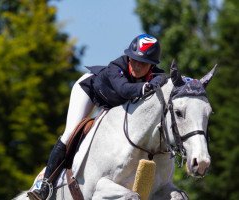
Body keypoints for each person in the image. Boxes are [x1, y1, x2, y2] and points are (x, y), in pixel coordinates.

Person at [27, 33, 167, 200]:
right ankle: (44, 183)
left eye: (143, 63)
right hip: (89, 90)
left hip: (112, 104)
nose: (136, 66)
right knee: (70, 132)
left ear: (151, 66)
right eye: (134, 59)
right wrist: (146, 87)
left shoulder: (155, 76)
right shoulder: (116, 67)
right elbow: (123, 89)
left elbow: (167, 81)